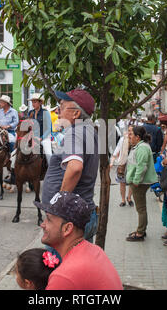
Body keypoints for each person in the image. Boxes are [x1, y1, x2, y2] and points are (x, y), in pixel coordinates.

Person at [42, 88, 99, 244]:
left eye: (61, 106)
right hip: (81, 214)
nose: (58, 112)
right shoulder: (88, 130)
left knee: (60, 267)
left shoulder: (75, 132)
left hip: (69, 220)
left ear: (76, 114)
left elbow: (75, 168)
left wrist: (59, 205)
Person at [34, 191, 123, 290]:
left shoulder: (64, 276)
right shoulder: (95, 250)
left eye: (49, 219)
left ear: (67, 229)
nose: (42, 224)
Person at [125, 126, 158, 241]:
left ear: (137, 137)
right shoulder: (140, 146)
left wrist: (136, 181)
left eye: (131, 134)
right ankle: (141, 229)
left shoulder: (142, 147)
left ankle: (140, 233)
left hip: (140, 183)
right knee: (141, 208)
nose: (130, 136)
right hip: (138, 181)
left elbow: (142, 167)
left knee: (141, 208)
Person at [109, 125, 133, 207]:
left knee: (131, 183)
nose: (130, 132)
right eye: (129, 130)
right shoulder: (123, 139)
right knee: (122, 183)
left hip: (132, 165)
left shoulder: (136, 140)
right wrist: (112, 162)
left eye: (132, 130)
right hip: (122, 164)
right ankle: (123, 200)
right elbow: (117, 150)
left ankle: (129, 198)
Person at [28, 93, 53, 164]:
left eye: (35, 102)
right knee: (18, 151)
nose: (33, 104)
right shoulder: (30, 113)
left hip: (44, 138)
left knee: (49, 154)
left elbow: (48, 128)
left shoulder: (45, 113)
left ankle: (51, 170)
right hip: (32, 137)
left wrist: (41, 138)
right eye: (32, 102)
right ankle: (13, 171)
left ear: (40, 103)